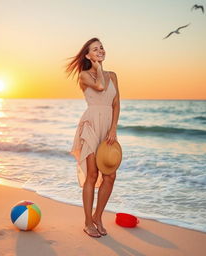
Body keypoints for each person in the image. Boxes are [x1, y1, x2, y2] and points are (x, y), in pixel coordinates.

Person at [65, 37, 120, 238]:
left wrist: (113, 129)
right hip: (91, 126)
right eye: (95, 49)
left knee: (110, 175)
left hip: (107, 128)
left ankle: (98, 216)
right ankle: (88, 222)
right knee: (92, 174)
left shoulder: (113, 75)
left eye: (102, 47)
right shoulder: (84, 75)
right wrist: (97, 66)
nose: (101, 50)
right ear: (88, 55)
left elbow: (116, 103)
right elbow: (99, 87)